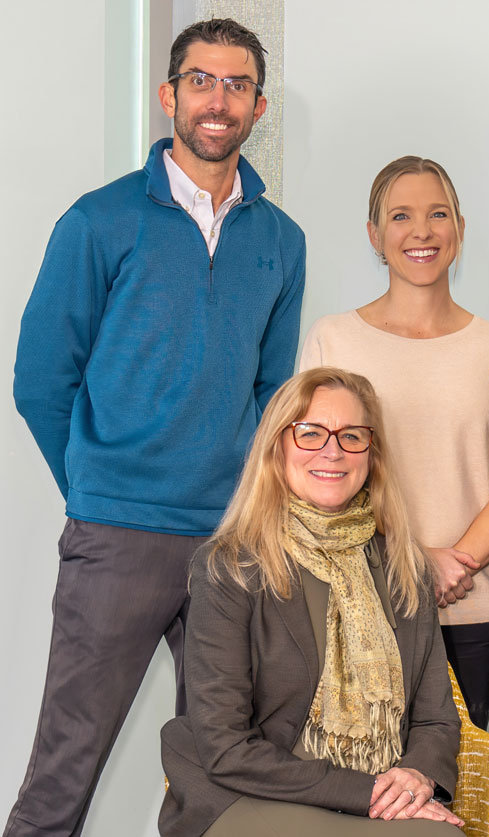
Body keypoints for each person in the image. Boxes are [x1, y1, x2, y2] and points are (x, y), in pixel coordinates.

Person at [7, 18, 305, 837]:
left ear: (259, 106)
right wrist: (99, 486)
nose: (219, 100)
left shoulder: (282, 240)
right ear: (169, 94)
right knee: (67, 763)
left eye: (237, 85)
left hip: (231, 542)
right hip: (119, 536)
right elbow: (40, 380)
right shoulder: (98, 221)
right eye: (202, 80)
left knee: (218, 771)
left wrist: (247, 506)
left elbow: (274, 393)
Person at [159, 367, 462, 836]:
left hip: (374, 788)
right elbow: (225, 747)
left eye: (352, 436)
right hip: (249, 790)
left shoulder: (406, 568)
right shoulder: (230, 567)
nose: (333, 451)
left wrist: (416, 777)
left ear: (372, 454)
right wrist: (367, 792)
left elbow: (436, 717)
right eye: (310, 432)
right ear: (276, 447)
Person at [301, 156, 489, 730]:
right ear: (374, 235)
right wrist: (412, 563)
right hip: (355, 604)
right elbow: (314, 478)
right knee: (358, 781)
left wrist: (446, 570)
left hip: (466, 608)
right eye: (401, 216)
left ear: (459, 228)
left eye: (438, 214)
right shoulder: (333, 339)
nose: (422, 231)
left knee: (457, 777)